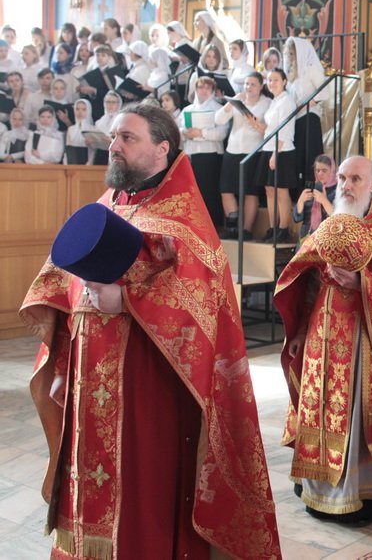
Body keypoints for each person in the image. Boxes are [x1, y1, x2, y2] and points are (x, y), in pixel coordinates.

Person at [21, 103, 282, 558]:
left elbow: (201, 297)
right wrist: (61, 351)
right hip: (89, 377)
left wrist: (127, 301)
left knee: (142, 482)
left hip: (150, 383)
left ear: (162, 148)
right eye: (113, 137)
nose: (114, 146)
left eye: (127, 138)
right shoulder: (109, 204)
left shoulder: (185, 217)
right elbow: (64, 280)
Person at [276, 154, 372, 523]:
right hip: (321, 328)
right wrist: (300, 329)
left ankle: (359, 493)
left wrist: (363, 283)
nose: (345, 185)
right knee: (317, 405)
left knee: (356, 413)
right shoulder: (332, 222)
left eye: (355, 179)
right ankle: (316, 487)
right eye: (342, 178)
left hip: (364, 335)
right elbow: (308, 276)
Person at [216, 72, 270, 239]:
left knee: (250, 192)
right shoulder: (238, 100)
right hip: (232, 149)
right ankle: (232, 228)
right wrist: (230, 104)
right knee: (226, 189)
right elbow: (218, 120)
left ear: (261, 86)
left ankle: (246, 230)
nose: (249, 87)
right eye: (246, 84)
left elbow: (269, 128)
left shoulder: (267, 103)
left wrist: (256, 122)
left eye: (253, 84)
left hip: (253, 151)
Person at [180, 75, 229, 227]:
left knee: (209, 190)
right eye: (201, 87)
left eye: (208, 88)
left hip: (210, 154)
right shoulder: (188, 109)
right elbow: (179, 129)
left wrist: (201, 133)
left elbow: (222, 133)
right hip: (191, 153)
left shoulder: (218, 108)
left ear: (213, 90)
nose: (204, 91)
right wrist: (185, 132)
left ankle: (213, 224)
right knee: (193, 191)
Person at [257, 68, 299, 243]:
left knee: (281, 190)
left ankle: (283, 228)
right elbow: (270, 128)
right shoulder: (274, 101)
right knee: (269, 189)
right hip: (268, 147)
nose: (272, 83)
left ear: (284, 82)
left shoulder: (287, 101)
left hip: (282, 150)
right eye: (269, 80)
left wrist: (275, 153)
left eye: (275, 80)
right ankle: (273, 227)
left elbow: (285, 130)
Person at [283, 36, 326, 187]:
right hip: (296, 119)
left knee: (310, 156)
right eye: (288, 54)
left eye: (292, 54)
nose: (289, 57)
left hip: (309, 117)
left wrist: (309, 102)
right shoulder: (292, 74)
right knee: (299, 157)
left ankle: (312, 190)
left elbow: (325, 90)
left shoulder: (311, 68)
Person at [293, 154, 338, 242]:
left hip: (327, 237)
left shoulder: (338, 190)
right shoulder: (312, 188)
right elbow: (297, 218)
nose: (320, 173)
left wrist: (323, 201)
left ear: (332, 171)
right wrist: (301, 200)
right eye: (317, 170)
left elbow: (338, 217)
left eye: (324, 170)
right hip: (307, 237)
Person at [64, 98, 96, 164]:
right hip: (72, 163)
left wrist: (89, 164)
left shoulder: (93, 129)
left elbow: (93, 151)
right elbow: (68, 149)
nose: (80, 112)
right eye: (77, 109)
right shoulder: (71, 129)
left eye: (83, 109)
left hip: (89, 164)